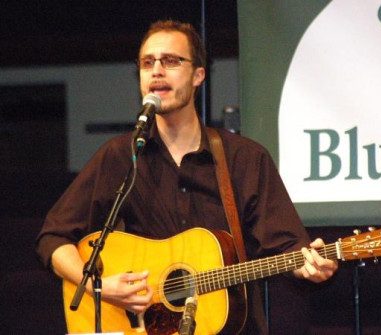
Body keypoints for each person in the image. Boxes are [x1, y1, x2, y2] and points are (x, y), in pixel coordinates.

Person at [36, 19, 338, 335]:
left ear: (198, 75)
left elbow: (288, 246)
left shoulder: (245, 159)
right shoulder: (121, 156)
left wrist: (309, 265)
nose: (156, 71)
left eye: (170, 61)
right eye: (147, 63)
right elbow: (53, 238)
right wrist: (102, 288)